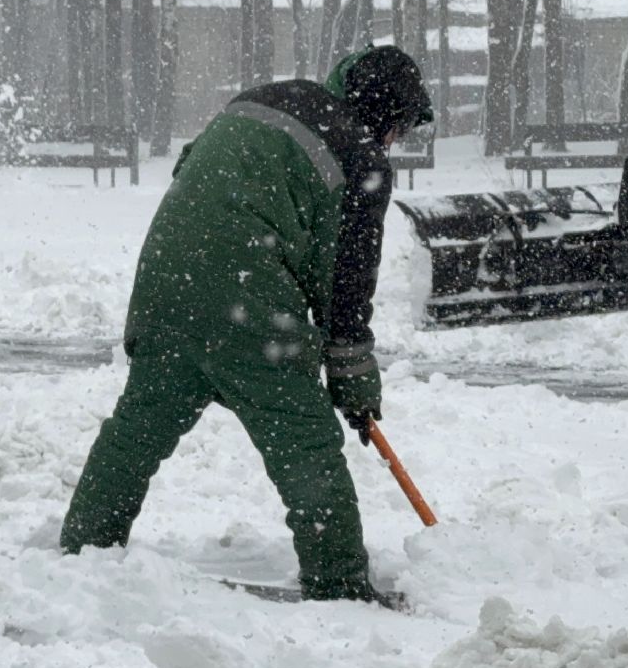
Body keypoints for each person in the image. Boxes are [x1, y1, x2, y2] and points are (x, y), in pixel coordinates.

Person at [59, 45, 435, 604]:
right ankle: (339, 583)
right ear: (386, 118)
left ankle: (82, 548)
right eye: (398, 131)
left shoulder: (265, 98)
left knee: (139, 427)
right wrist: (354, 384)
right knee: (304, 439)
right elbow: (347, 291)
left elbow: (193, 169)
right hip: (248, 294)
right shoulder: (361, 158)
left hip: (167, 278)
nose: (394, 144)